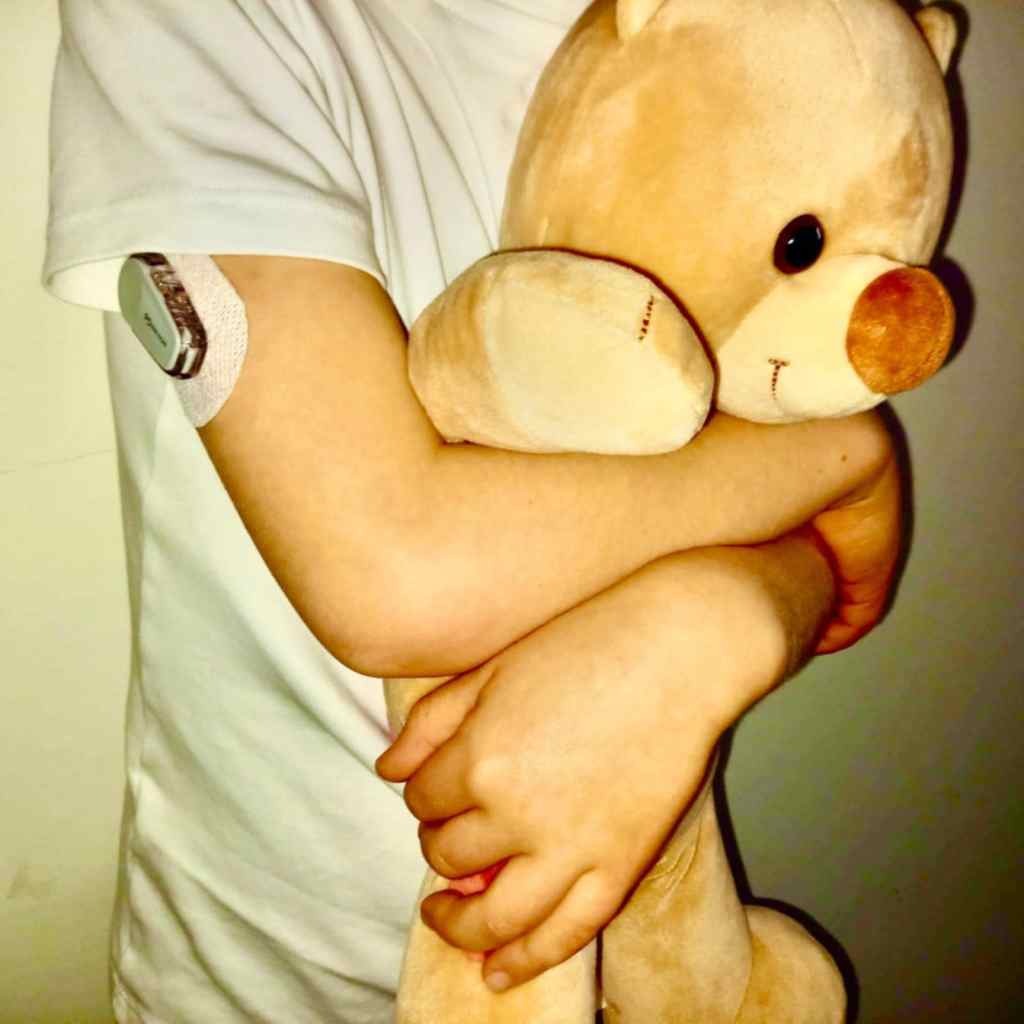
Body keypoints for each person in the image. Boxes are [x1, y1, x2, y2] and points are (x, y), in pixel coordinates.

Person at [44, 1, 900, 1021]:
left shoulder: (759, 39)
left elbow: (773, 490)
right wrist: (835, 459)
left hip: (643, 949)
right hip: (273, 980)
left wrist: (743, 608)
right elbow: (390, 567)